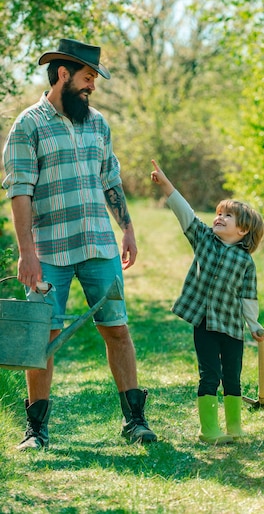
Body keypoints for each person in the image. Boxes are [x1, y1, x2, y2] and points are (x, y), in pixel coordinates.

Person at [2, 38, 157, 450]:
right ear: (63, 74)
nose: (92, 86)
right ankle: (36, 429)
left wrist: (127, 227)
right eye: (88, 78)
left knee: (117, 330)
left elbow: (110, 178)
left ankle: (135, 421)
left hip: (98, 248)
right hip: (48, 252)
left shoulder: (98, 123)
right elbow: (20, 192)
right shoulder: (28, 125)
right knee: (41, 337)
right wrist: (26, 253)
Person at [150, 159, 264, 444]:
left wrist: (254, 324)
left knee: (233, 378)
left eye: (228, 216)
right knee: (209, 375)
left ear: (243, 231)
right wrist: (166, 186)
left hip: (232, 328)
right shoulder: (203, 238)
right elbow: (185, 214)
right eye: (218, 213)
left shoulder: (245, 261)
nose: (219, 218)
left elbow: (247, 296)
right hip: (204, 323)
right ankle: (209, 429)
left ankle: (235, 427)